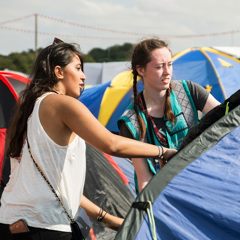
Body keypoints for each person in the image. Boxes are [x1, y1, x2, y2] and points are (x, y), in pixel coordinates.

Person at [0, 38, 177, 240]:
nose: (83, 77)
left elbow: (61, 188)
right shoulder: (62, 104)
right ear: (59, 72)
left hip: (11, 222)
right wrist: (163, 151)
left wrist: (107, 218)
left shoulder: (28, 111)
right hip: (44, 226)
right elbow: (112, 144)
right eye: (77, 68)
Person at [118, 38, 220, 195]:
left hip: (201, 184)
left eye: (170, 64)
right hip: (165, 197)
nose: (167, 72)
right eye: (159, 67)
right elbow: (144, 177)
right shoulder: (131, 121)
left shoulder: (189, 91)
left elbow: (226, 121)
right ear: (140, 70)